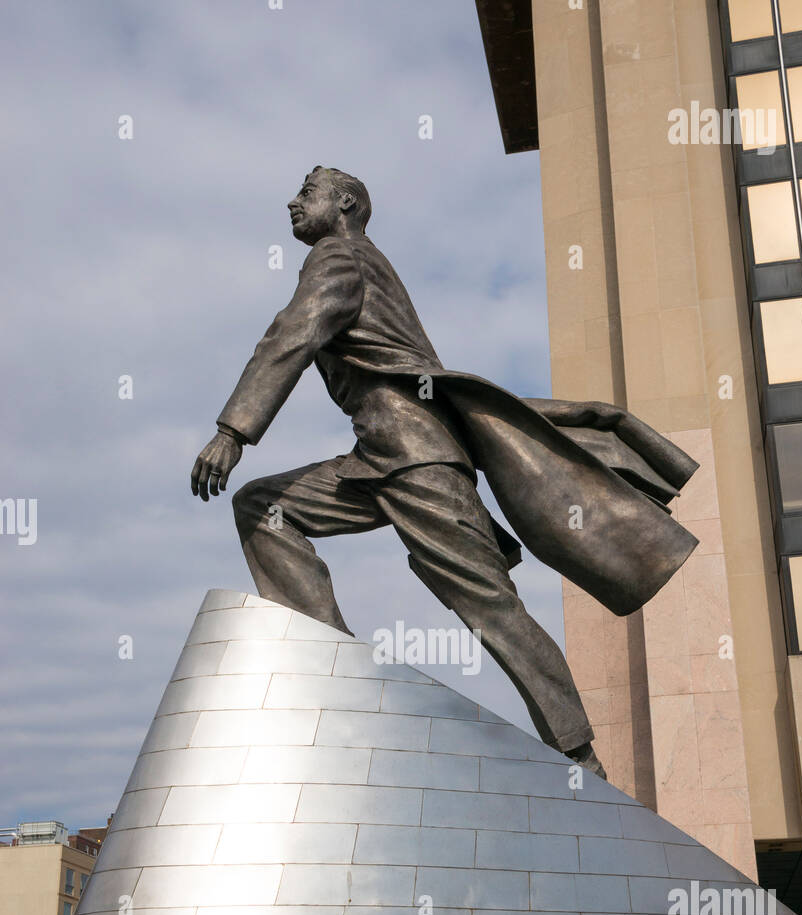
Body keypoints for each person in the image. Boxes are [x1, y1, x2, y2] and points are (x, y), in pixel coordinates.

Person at [192, 166, 700, 779]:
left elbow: (290, 337)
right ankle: (334, 664)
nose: (292, 203)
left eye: (307, 193)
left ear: (345, 203)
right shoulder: (362, 261)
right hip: (379, 459)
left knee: (490, 607)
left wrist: (233, 432)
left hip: (417, 460)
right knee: (262, 507)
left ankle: (578, 757)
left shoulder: (339, 257)